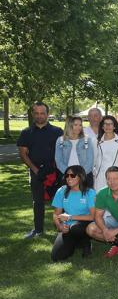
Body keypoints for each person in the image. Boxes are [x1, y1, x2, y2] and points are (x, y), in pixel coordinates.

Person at [18, 102, 64, 238]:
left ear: (47, 114)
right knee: (37, 201)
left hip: (55, 171)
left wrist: (56, 168)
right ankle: (38, 230)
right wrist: (35, 170)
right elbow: (23, 153)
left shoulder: (57, 132)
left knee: (60, 201)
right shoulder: (26, 132)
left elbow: (63, 152)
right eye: (36, 113)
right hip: (35, 171)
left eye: (42, 113)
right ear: (32, 114)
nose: (39, 116)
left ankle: (62, 229)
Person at [50, 165, 96, 261]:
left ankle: (86, 243)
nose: (69, 178)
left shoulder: (90, 193)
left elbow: (93, 217)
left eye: (73, 175)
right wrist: (60, 227)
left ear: (81, 176)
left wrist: (70, 217)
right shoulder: (61, 191)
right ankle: (76, 242)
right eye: (67, 175)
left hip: (84, 224)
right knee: (56, 257)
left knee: (76, 228)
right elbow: (56, 214)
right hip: (67, 227)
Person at [55, 115, 95, 187]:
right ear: (69, 126)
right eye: (75, 125)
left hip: (85, 176)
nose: (79, 127)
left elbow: (90, 160)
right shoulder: (60, 140)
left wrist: (80, 175)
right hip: (67, 177)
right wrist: (70, 175)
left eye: (80, 125)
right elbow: (58, 160)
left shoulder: (87, 140)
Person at [93, 115, 118, 192]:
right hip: (100, 176)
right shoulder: (96, 141)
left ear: (114, 126)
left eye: (110, 124)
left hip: (116, 176)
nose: (108, 126)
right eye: (105, 124)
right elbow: (94, 159)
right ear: (102, 126)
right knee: (101, 200)